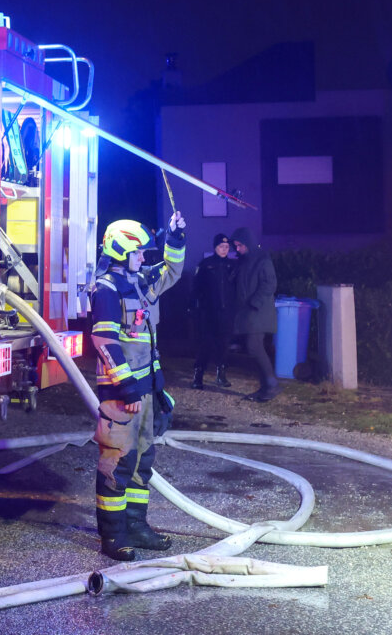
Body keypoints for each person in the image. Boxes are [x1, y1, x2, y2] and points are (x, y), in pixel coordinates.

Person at [89, 212, 185, 561]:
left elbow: (171, 271)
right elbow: (104, 342)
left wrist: (175, 239)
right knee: (117, 465)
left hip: (144, 393)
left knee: (142, 463)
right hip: (122, 397)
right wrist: (127, 391)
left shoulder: (138, 284)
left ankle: (136, 527)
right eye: (139, 252)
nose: (144, 258)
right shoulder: (106, 291)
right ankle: (113, 537)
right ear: (121, 251)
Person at [230, 227, 280, 402]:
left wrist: (254, 303)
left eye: (239, 245)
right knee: (253, 348)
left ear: (247, 243)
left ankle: (272, 385)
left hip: (258, 312)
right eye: (235, 246)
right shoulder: (244, 261)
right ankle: (266, 386)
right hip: (249, 312)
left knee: (254, 347)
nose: (237, 249)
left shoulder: (262, 259)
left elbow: (270, 284)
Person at [190, 233, 236, 389]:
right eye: (221, 247)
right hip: (209, 312)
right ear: (215, 247)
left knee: (224, 344)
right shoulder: (206, 264)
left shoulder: (232, 265)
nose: (224, 250)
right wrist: (194, 306)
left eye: (226, 247)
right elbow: (196, 287)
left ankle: (221, 374)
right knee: (205, 344)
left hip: (227, 312)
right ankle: (198, 375)